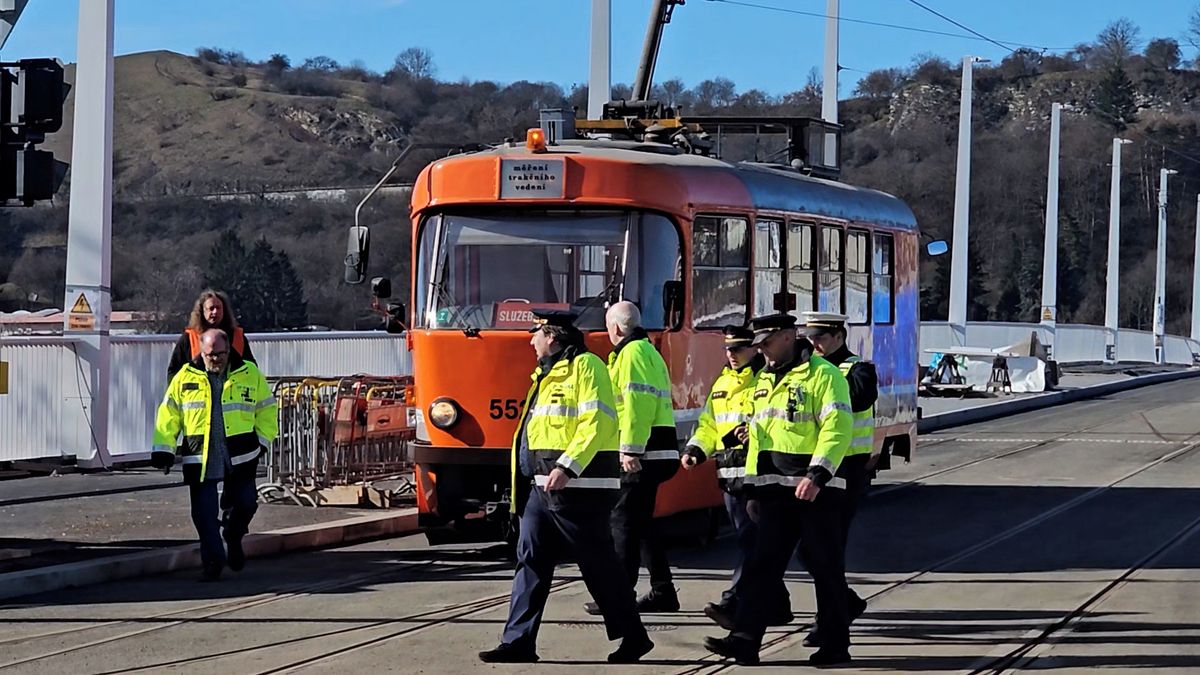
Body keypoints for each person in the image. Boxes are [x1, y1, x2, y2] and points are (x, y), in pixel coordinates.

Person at [479, 309, 654, 665]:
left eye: (535, 334)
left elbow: (598, 421)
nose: (530, 340)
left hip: (580, 487)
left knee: (597, 565)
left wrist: (567, 467)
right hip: (542, 488)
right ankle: (518, 642)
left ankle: (634, 636)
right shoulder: (546, 374)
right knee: (530, 560)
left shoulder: (587, 367)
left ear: (553, 336)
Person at [703, 313, 854, 667]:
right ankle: (744, 642)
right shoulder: (765, 379)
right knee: (761, 567)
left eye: (767, 343)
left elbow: (838, 427)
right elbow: (759, 437)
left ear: (788, 336)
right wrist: (753, 488)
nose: (762, 351)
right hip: (773, 493)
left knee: (825, 569)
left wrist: (817, 475)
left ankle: (835, 645)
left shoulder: (823, 375)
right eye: (759, 345)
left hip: (816, 492)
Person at [680, 325, 792, 628]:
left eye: (738, 348)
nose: (731, 354)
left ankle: (734, 602)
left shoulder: (766, 378)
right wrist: (696, 450)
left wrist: (753, 431)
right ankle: (779, 606)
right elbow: (709, 424)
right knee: (754, 543)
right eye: (728, 349)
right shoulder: (723, 381)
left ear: (754, 348)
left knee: (750, 542)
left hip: (758, 475)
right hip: (729, 476)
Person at [152, 328, 277, 582]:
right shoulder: (185, 376)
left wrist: (262, 442)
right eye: (210, 355)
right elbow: (169, 414)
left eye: (220, 354)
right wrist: (164, 449)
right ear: (201, 351)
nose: (215, 360)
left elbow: (267, 408)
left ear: (228, 350)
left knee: (247, 502)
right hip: (201, 456)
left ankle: (233, 533)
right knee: (203, 513)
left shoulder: (248, 373)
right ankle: (213, 561)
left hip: (240, 454)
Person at [592, 301, 680, 613]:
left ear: (615, 328)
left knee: (623, 522)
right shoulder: (644, 351)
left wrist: (629, 449)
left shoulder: (631, 355)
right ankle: (663, 590)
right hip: (656, 450)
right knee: (641, 524)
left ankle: (619, 593)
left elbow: (635, 405)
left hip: (644, 453)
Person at [800, 312, 878, 648]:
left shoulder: (858, 370)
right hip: (819, 467)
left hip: (848, 470)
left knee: (827, 550)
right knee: (812, 550)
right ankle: (842, 603)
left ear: (839, 336)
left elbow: (858, 399)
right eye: (811, 338)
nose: (814, 344)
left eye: (820, 337)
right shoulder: (812, 370)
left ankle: (830, 620)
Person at [167, 289, 255, 381]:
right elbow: (174, 372)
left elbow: (251, 369)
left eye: (218, 308)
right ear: (202, 311)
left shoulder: (238, 337)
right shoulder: (189, 338)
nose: (215, 312)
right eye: (211, 308)